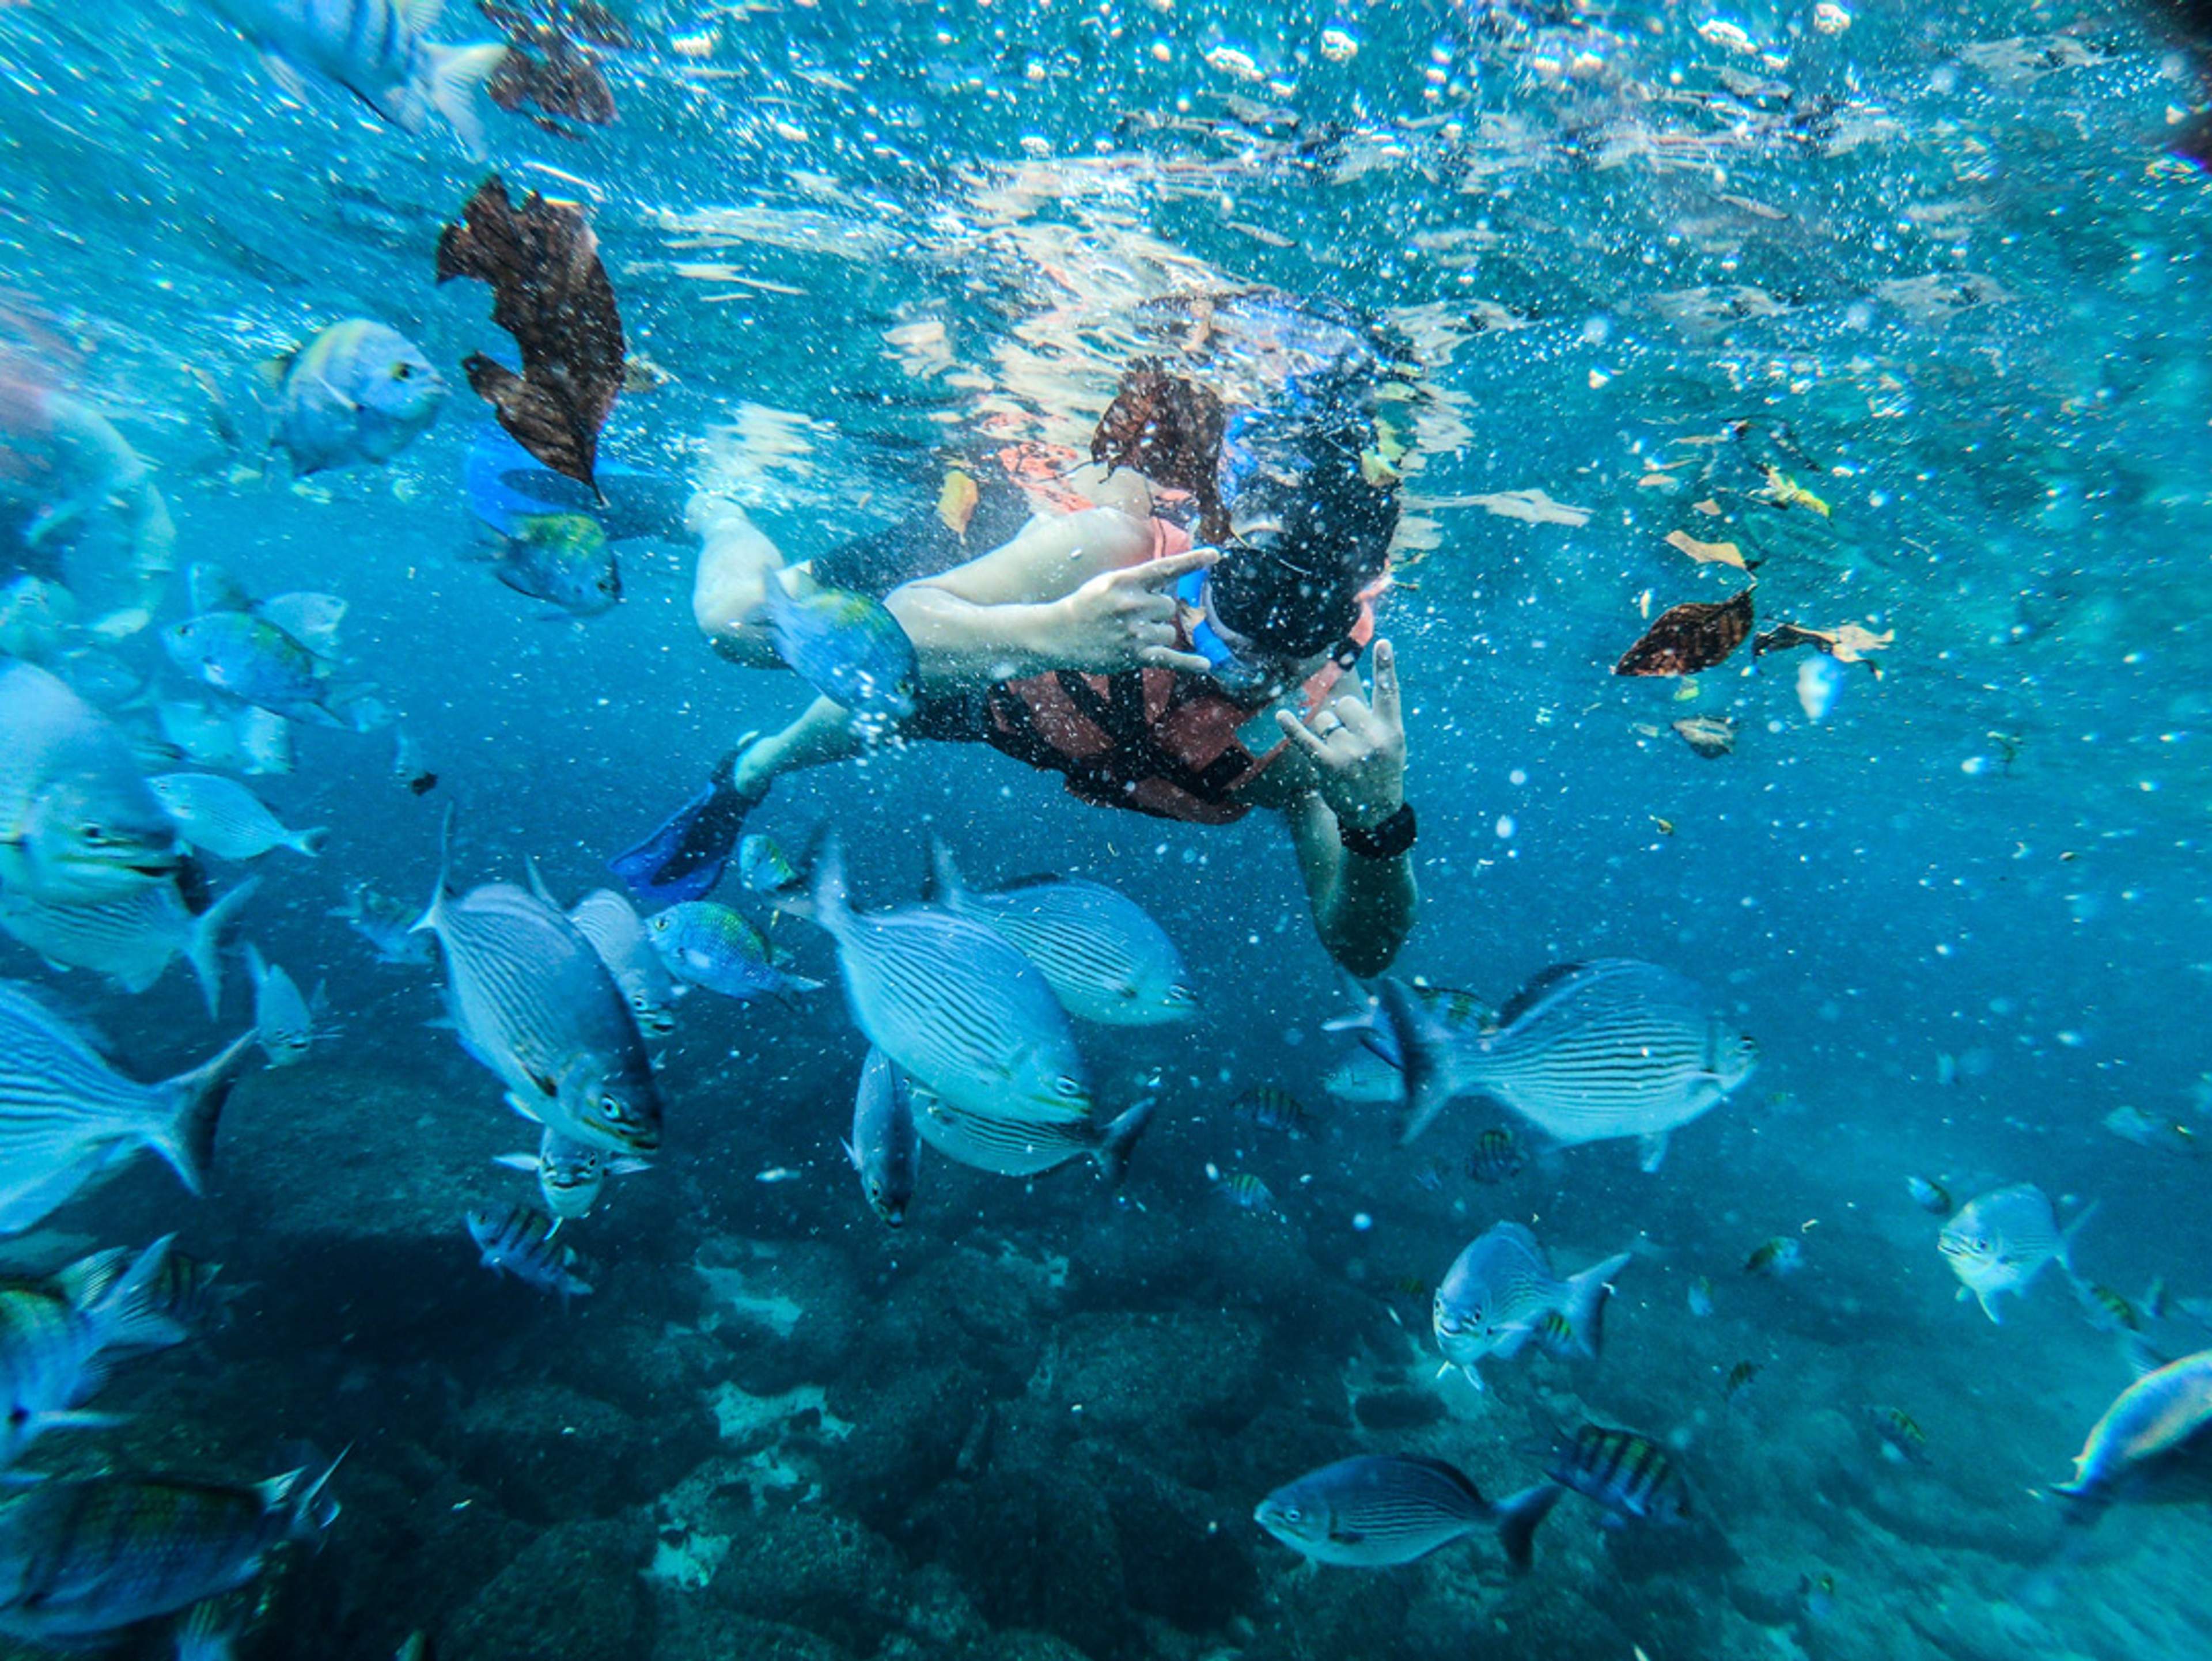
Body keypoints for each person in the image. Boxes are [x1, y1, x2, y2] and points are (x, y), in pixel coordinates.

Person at [612, 296, 1421, 977]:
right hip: (983, 593)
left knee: (886, 705)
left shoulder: (1324, 727)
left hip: (1023, 705)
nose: (1266, 649)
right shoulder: (1113, 550)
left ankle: (756, 763)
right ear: (1220, 550)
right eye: (1256, 591)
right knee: (737, 630)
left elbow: (1359, 950)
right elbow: (903, 633)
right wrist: (1056, 630)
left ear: (1344, 614)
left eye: (1309, 617)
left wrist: (1377, 825)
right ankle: (712, 516)